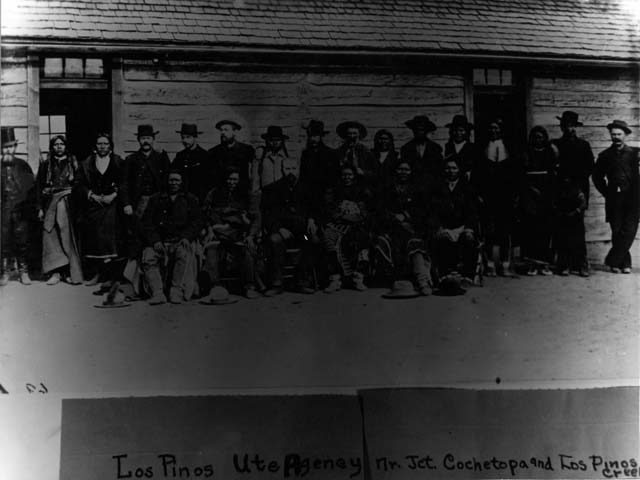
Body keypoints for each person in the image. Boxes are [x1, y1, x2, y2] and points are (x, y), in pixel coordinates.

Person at [140, 170, 202, 304]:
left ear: (182, 182)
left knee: (184, 254)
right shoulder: (155, 199)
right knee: (148, 257)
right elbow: (147, 223)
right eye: (171, 180)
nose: (174, 183)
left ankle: (176, 291)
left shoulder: (190, 199)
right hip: (160, 241)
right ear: (167, 181)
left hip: (180, 240)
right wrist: (155, 240)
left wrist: (186, 237)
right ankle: (157, 293)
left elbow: (196, 222)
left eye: (177, 180)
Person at [260, 158, 319, 296]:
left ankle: (301, 281)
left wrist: (311, 220)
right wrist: (279, 228)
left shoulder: (307, 188)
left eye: (293, 168)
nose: (290, 172)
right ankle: (277, 283)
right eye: (287, 169)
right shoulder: (272, 189)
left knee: (311, 240)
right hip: (281, 232)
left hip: (301, 233)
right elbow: (268, 214)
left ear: (298, 169)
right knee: (275, 240)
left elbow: (314, 208)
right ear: (282, 170)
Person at [201, 167, 261, 300]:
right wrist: (209, 229)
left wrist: (251, 235)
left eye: (234, 179)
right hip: (217, 232)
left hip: (239, 232)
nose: (231, 182)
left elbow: (256, 218)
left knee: (247, 248)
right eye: (229, 179)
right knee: (211, 247)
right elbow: (205, 214)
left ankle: (249, 286)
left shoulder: (246, 194)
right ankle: (215, 285)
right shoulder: (214, 193)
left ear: (239, 180)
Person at [374, 161, 432, 296]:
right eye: (400, 169)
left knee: (415, 243)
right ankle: (396, 280)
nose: (403, 172)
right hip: (392, 229)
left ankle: (422, 281)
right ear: (395, 171)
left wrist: (406, 216)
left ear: (411, 172)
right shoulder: (388, 189)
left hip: (411, 227)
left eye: (406, 170)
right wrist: (395, 217)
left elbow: (423, 210)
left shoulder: (417, 189)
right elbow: (380, 209)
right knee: (383, 241)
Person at [474, 118, 523, 277]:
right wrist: (478, 194)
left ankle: (505, 264)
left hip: (506, 195)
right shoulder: (482, 148)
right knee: (489, 229)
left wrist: (515, 194)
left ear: (501, 130)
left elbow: (517, 173)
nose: (493, 131)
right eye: (491, 128)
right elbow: (477, 173)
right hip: (488, 195)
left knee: (505, 230)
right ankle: (489, 265)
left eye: (496, 128)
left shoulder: (510, 148)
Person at [76, 133, 124, 286]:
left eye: (105, 144)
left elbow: (124, 182)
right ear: (95, 146)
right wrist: (92, 195)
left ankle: (110, 277)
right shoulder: (87, 163)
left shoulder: (118, 161)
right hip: (93, 206)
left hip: (112, 205)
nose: (102, 146)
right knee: (95, 240)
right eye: (99, 144)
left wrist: (114, 195)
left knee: (110, 240)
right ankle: (97, 274)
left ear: (110, 146)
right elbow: (79, 184)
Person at [592, 120, 640, 274]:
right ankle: (623, 264)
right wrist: (607, 193)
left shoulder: (635, 154)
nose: (616, 137)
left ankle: (613, 259)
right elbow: (597, 177)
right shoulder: (605, 155)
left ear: (625, 135)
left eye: (619, 134)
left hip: (633, 198)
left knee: (630, 230)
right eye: (613, 135)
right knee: (617, 230)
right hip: (614, 199)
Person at [36, 135, 83, 285]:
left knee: (67, 237)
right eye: (56, 144)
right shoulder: (46, 164)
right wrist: (39, 208)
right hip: (50, 203)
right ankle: (55, 272)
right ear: (52, 147)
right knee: (51, 236)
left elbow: (79, 185)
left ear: (66, 146)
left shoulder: (73, 163)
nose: (59, 147)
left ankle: (68, 272)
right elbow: (39, 187)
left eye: (62, 144)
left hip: (68, 204)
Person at [322, 164, 373, 293]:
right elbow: (330, 211)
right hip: (337, 224)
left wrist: (351, 217)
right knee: (328, 237)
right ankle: (335, 279)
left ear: (354, 176)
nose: (347, 177)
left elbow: (364, 213)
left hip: (356, 225)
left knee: (362, 240)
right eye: (344, 175)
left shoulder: (361, 191)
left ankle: (358, 278)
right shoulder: (334, 191)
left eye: (350, 175)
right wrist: (341, 216)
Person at [431, 158, 479, 282]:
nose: (451, 171)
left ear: (459, 170)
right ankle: (445, 275)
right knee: (442, 239)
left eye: (454, 168)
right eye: (448, 168)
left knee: (468, 239)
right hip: (444, 227)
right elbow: (433, 211)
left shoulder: (467, 188)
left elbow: (472, 212)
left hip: (462, 227)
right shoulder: (437, 187)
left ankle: (467, 276)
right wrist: (439, 228)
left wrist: (468, 228)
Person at [520, 126, 557, 276]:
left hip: (547, 193)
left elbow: (553, 172)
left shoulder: (550, 152)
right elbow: (522, 174)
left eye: (541, 137)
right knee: (531, 229)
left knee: (545, 229)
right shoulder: (526, 152)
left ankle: (545, 264)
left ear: (545, 138)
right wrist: (530, 189)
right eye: (535, 137)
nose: (538, 140)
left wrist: (548, 191)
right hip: (530, 194)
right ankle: (532, 264)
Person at [0, 126, 36, 286]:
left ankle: (23, 271)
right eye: (4, 147)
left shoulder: (23, 165)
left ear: (15, 147)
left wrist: (30, 208)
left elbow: (32, 189)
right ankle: (5, 272)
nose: (8, 150)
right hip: (3, 209)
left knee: (22, 240)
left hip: (21, 209)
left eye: (10, 146)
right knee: (3, 240)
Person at [552, 111, 594, 207]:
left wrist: (576, 180)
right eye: (567, 126)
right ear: (562, 127)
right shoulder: (556, 145)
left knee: (578, 214)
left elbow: (590, 166)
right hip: (561, 188)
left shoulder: (584, 145)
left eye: (572, 126)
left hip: (579, 188)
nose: (570, 129)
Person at [208, 119, 254, 194]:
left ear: (235, 132)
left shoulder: (247, 150)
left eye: (226, 130)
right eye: (221, 130)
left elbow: (253, 172)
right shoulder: (213, 152)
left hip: (241, 192)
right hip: (221, 193)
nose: (222, 132)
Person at [554, 177, 587, 276]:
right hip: (563, 217)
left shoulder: (578, 189)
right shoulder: (559, 188)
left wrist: (576, 211)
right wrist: (560, 213)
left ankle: (582, 266)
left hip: (576, 218)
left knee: (579, 242)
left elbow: (583, 203)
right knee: (564, 241)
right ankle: (565, 266)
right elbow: (555, 203)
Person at [399, 115, 443, 186]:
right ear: (413, 130)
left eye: (422, 130)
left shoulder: (435, 148)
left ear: (426, 131)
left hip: (431, 186)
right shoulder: (406, 148)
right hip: (412, 186)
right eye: (416, 129)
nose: (419, 132)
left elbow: (439, 170)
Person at [172, 123, 211, 203]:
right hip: (182, 198)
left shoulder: (205, 156)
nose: (184, 140)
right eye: (183, 137)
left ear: (195, 137)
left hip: (199, 198)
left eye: (188, 137)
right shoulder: (180, 155)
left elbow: (209, 181)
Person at [299, 120, 339, 195]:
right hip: (309, 193)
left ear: (321, 136)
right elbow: (303, 176)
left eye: (315, 136)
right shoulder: (305, 154)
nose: (312, 139)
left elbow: (335, 176)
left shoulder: (331, 153)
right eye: (310, 136)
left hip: (325, 193)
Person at [251, 125, 289, 192]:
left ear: (282, 141)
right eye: (271, 140)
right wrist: (256, 192)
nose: (275, 143)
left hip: (282, 193)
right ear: (267, 140)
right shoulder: (261, 155)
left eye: (278, 140)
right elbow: (255, 177)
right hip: (265, 193)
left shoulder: (285, 156)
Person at [443, 115, 481, 180]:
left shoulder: (473, 148)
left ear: (467, 132)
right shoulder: (447, 147)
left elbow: (477, 166)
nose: (458, 133)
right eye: (455, 130)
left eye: (461, 130)